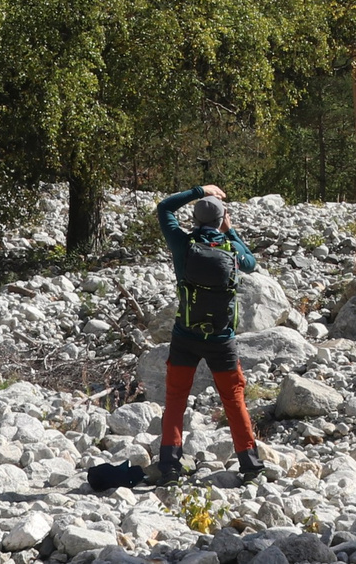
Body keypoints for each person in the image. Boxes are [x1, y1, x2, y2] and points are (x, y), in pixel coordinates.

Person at [88, 184, 265, 490]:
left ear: (195, 221)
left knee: (175, 399)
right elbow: (251, 263)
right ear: (222, 220)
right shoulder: (232, 251)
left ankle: (170, 464)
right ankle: (249, 464)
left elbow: (164, 208)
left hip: (185, 336)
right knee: (234, 400)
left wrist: (199, 191)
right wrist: (231, 230)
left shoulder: (182, 245)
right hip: (222, 340)